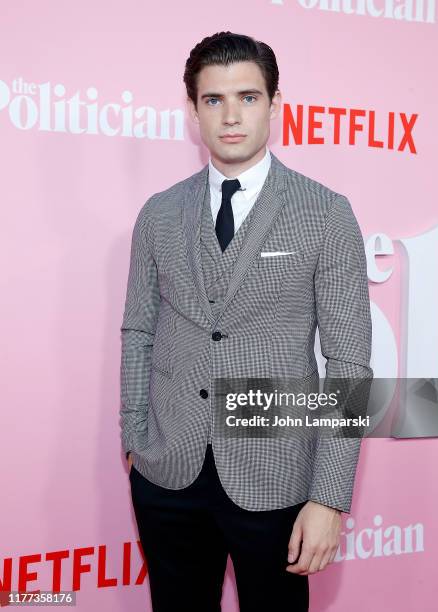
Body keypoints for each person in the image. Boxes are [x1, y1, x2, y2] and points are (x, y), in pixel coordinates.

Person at [119, 31, 373, 612]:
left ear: (275, 105)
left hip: (277, 472)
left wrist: (329, 498)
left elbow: (349, 363)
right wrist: (134, 437)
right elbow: (138, 329)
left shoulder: (326, 213)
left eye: (248, 97)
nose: (231, 115)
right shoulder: (158, 213)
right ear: (192, 111)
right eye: (214, 100)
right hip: (167, 470)